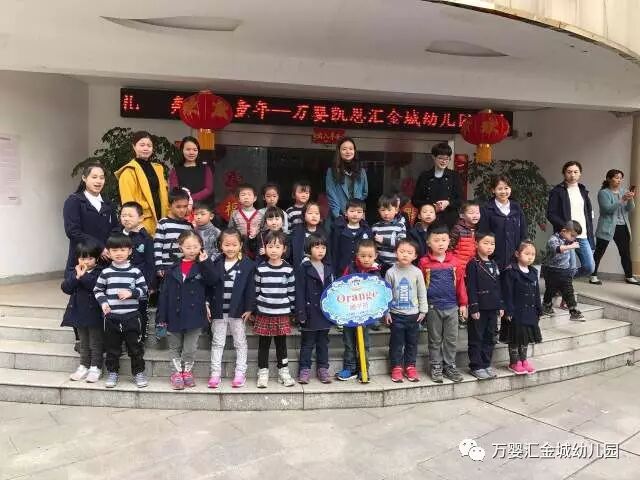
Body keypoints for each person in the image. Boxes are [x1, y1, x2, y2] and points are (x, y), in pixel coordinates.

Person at [157, 231, 215, 390]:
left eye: (195, 246)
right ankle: (176, 373)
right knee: (174, 346)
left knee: (190, 347)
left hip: (195, 314)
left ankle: (187, 371)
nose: (192, 250)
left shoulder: (203, 265)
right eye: (188, 247)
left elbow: (213, 281)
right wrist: (161, 317)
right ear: (180, 247)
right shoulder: (172, 269)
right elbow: (164, 294)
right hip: (174, 313)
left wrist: (205, 263)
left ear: (201, 246)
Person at [93, 233, 148, 388]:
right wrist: (104, 304)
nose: (119, 253)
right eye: (114, 250)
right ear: (108, 252)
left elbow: (144, 290)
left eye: (123, 250)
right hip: (112, 317)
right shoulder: (106, 272)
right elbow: (98, 290)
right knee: (112, 348)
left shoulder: (135, 272)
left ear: (130, 251)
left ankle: (138, 372)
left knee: (135, 348)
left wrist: (131, 293)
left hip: (132, 317)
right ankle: (112, 372)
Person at [419, 226, 468, 383]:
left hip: (452, 307)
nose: (440, 243)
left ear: (449, 242)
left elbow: (460, 284)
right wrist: (422, 307)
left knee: (451, 339)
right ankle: (436, 366)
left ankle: (449, 366)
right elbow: (420, 287)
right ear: (428, 242)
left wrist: (463, 304)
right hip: (433, 307)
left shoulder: (455, 262)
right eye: (436, 240)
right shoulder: (424, 262)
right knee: (434, 339)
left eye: (443, 240)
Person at [208, 229, 256, 389]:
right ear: (220, 245)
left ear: (241, 245)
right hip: (218, 310)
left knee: (240, 342)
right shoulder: (215, 263)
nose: (230, 248)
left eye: (234, 244)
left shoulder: (247, 264)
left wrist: (249, 308)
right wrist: (207, 304)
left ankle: (240, 372)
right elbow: (209, 286)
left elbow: (250, 288)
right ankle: (215, 373)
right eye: (227, 245)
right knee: (217, 342)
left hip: (238, 311)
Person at [254, 230, 296, 388]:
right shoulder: (261, 269)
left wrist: (291, 310)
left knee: (281, 344)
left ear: (284, 249)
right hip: (264, 312)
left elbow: (291, 292)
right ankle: (262, 372)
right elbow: (256, 291)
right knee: (263, 344)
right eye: (270, 246)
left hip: (281, 313)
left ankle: (283, 371)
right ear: (265, 248)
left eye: (277, 247)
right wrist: (257, 308)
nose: (273, 250)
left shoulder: (288, 270)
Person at [337, 239, 381, 381]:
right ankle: (349, 368)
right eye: (363, 256)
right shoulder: (350, 269)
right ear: (357, 255)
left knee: (364, 344)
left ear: (375, 256)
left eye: (370, 256)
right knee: (349, 342)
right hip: (349, 314)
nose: (366, 259)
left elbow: (380, 295)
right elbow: (341, 287)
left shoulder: (376, 273)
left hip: (366, 316)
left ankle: (363, 369)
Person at [384, 239, 428, 383]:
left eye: (409, 252)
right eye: (402, 251)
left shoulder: (417, 272)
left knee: (412, 342)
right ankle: (396, 367)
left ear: (415, 256)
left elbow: (422, 292)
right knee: (396, 343)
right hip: (396, 315)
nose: (405, 255)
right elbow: (386, 294)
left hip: (414, 315)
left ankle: (410, 366)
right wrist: (386, 312)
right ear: (396, 252)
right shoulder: (390, 272)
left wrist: (423, 311)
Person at [61, 241, 104, 383]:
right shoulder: (75, 272)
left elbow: (94, 285)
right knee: (83, 341)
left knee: (95, 342)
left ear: (97, 259)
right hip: (79, 311)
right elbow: (66, 288)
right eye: (82, 258)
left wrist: (83, 275)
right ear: (77, 258)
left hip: (95, 313)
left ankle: (96, 367)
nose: (86, 261)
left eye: (90, 258)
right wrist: (76, 277)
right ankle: (83, 366)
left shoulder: (101, 272)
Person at [63, 161, 118, 270]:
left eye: (102, 177)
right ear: (84, 178)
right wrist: (99, 248)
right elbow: (73, 231)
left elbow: (115, 228)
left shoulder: (108, 203)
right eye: (94, 177)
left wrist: (110, 248)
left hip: (106, 260)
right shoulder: (74, 201)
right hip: (83, 259)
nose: (98, 181)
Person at [295, 235, 335, 384]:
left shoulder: (328, 267)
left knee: (323, 342)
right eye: (316, 247)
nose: (320, 251)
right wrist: (300, 312)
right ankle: (304, 369)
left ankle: (323, 368)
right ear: (308, 249)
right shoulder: (304, 267)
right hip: (309, 311)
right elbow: (299, 291)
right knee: (307, 342)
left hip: (324, 313)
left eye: (323, 247)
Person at [500, 240, 542, 375]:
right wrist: (508, 310)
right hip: (516, 311)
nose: (530, 257)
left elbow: (536, 292)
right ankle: (514, 362)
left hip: (529, 311)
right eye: (527, 254)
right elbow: (507, 293)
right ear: (517, 254)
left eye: (533, 254)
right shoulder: (511, 271)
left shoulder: (533, 272)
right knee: (515, 337)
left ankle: (524, 360)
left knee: (525, 337)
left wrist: (538, 308)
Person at [546, 161, 595, 277]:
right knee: (570, 266)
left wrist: (590, 233)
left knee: (589, 267)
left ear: (580, 174)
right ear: (564, 173)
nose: (572, 175)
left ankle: (562, 280)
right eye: (569, 172)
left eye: (575, 172)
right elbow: (550, 214)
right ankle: (566, 284)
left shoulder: (583, 190)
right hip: (566, 236)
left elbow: (588, 213)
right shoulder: (557, 191)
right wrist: (566, 227)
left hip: (582, 235)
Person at [465, 232, 503, 380]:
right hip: (479, 308)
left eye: (492, 244)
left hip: (492, 307)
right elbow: (471, 287)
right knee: (476, 337)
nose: (489, 247)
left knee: (490, 337)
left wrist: (500, 305)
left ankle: (486, 363)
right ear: (476, 244)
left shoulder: (494, 264)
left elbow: (498, 286)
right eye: (485, 243)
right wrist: (473, 306)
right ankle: (476, 365)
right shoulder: (473, 264)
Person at [116, 131, 169, 236]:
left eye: (149, 145)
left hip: (162, 220)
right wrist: (134, 224)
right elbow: (128, 202)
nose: (146, 148)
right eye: (142, 145)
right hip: (141, 222)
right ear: (134, 147)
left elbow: (165, 195)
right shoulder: (128, 171)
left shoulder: (158, 169)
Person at [591, 169, 638, 285]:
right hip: (607, 226)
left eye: (621, 178)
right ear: (609, 179)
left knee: (625, 253)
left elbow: (630, 209)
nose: (619, 180)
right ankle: (593, 275)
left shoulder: (624, 191)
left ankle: (629, 276)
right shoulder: (603, 193)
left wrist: (631, 198)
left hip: (622, 226)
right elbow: (607, 209)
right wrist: (622, 200)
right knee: (599, 252)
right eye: (616, 177)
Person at [120, 201, 155, 341]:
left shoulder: (146, 238)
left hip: (140, 283)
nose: (126, 218)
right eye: (123, 215)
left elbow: (150, 262)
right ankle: (123, 339)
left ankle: (140, 340)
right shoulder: (117, 236)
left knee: (140, 311)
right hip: (120, 281)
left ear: (140, 218)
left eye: (130, 215)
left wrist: (150, 284)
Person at [478, 175, 528, 271]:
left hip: (514, 257)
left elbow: (523, 231)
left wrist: (522, 251)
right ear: (493, 190)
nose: (504, 192)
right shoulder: (486, 208)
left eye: (506, 188)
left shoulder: (516, 207)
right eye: (500, 189)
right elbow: (483, 232)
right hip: (494, 257)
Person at [411, 142, 463, 229]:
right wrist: (432, 207)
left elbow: (460, 200)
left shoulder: (454, 176)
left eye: (447, 159)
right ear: (433, 157)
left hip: (449, 220)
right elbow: (415, 200)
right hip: (427, 220)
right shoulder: (424, 176)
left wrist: (448, 203)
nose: (444, 161)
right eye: (440, 158)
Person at [542, 221, 584, 321]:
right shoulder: (553, 239)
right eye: (572, 235)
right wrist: (571, 246)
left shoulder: (568, 240)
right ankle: (546, 305)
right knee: (551, 289)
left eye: (575, 237)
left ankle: (573, 311)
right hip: (551, 269)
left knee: (568, 289)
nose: (573, 238)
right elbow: (558, 249)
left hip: (564, 270)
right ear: (564, 231)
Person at [153, 188, 193, 279]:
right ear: (170, 205)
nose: (182, 210)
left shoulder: (189, 226)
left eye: (185, 206)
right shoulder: (163, 223)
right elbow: (157, 246)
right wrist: (159, 266)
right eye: (178, 207)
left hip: (185, 267)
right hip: (167, 267)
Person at [325, 137, 368, 220]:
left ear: (354, 151)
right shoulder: (332, 171)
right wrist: (338, 215)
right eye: (344, 149)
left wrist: (357, 210)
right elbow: (331, 194)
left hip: (357, 216)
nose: (348, 152)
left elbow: (364, 193)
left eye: (351, 149)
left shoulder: (361, 171)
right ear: (339, 151)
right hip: (339, 216)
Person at [330, 198, 372, 275]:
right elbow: (334, 251)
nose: (355, 214)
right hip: (342, 270)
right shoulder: (338, 229)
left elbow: (370, 251)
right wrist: (333, 271)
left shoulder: (367, 230)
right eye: (352, 211)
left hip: (362, 270)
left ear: (363, 214)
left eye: (359, 212)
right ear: (346, 213)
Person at [168, 136, 214, 205]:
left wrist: (190, 198)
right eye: (188, 149)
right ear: (182, 150)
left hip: (203, 208)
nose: (191, 152)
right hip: (183, 208)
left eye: (195, 150)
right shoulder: (175, 171)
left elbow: (209, 189)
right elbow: (175, 192)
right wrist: (186, 201)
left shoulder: (206, 169)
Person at [372, 195, 407, 275]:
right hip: (380, 265)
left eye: (389, 210)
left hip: (396, 264)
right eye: (383, 210)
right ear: (379, 211)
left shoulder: (400, 225)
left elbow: (402, 243)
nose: (386, 213)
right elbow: (373, 246)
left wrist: (384, 240)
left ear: (396, 210)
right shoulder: (375, 227)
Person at [228, 183, 264, 257]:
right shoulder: (234, 214)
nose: (246, 197)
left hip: (256, 247)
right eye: (243, 195)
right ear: (238, 199)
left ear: (255, 198)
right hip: (240, 247)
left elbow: (264, 231)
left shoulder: (260, 215)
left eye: (249, 194)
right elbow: (231, 230)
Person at [290, 202, 330, 268]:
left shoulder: (324, 233)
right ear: (304, 215)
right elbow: (294, 253)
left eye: (317, 213)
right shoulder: (297, 231)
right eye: (310, 213)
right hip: (301, 267)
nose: (314, 216)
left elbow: (328, 256)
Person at [449, 201, 481, 272]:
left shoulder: (478, 229)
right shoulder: (457, 229)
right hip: (458, 267)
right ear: (462, 215)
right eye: (471, 213)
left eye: (477, 213)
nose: (475, 215)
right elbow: (449, 248)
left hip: (472, 267)